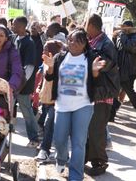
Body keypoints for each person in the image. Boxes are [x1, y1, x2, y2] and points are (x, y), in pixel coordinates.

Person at [43, 28, 106, 180]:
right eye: (70, 40)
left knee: (79, 143)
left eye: (77, 41)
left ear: (84, 43)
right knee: (59, 139)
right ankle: (61, 159)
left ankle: (75, 176)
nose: (72, 44)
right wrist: (50, 67)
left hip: (83, 105)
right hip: (62, 105)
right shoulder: (60, 57)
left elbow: (98, 83)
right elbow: (50, 77)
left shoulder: (91, 58)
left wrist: (95, 73)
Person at [85, 14, 120, 176]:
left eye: (86, 23)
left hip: (103, 92)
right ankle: (85, 157)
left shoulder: (106, 43)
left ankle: (100, 162)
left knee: (96, 130)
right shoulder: (93, 41)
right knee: (87, 128)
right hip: (93, 92)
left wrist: (87, 52)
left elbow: (105, 64)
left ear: (92, 25)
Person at [11, 16, 39, 147]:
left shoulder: (29, 43)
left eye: (15, 24)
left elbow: (29, 67)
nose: (13, 27)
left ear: (22, 26)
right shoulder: (15, 39)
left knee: (27, 112)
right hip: (13, 84)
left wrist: (21, 84)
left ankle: (34, 138)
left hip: (23, 86)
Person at [110, 20, 136, 123]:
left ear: (129, 27)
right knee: (114, 92)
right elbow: (116, 49)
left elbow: (129, 47)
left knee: (130, 93)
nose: (122, 29)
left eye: (123, 27)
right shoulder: (121, 37)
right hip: (120, 69)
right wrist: (114, 38)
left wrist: (121, 35)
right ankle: (111, 115)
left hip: (129, 71)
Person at [35, 40, 63, 162]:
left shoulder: (58, 64)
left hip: (54, 101)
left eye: (46, 49)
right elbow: (45, 80)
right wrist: (39, 88)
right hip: (46, 100)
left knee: (49, 124)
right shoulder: (46, 62)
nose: (43, 51)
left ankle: (46, 150)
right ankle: (50, 150)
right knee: (48, 125)